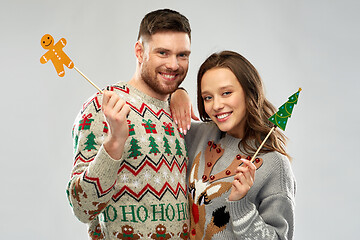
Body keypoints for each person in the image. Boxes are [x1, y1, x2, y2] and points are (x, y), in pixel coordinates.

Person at [66, 9, 192, 239]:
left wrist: (180, 93)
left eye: (182, 55)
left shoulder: (178, 113)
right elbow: (81, 207)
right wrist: (115, 141)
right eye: (162, 53)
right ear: (139, 51)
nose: (174, 65)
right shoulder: (102, 107)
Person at [171, 51, 296, 239]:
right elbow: (155, 116)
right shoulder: (200, 134)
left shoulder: (274, 164)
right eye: (207, 97)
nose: (216, 105)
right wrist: (178, 93)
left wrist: (241, 205)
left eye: (226, 93)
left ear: (249, 91)